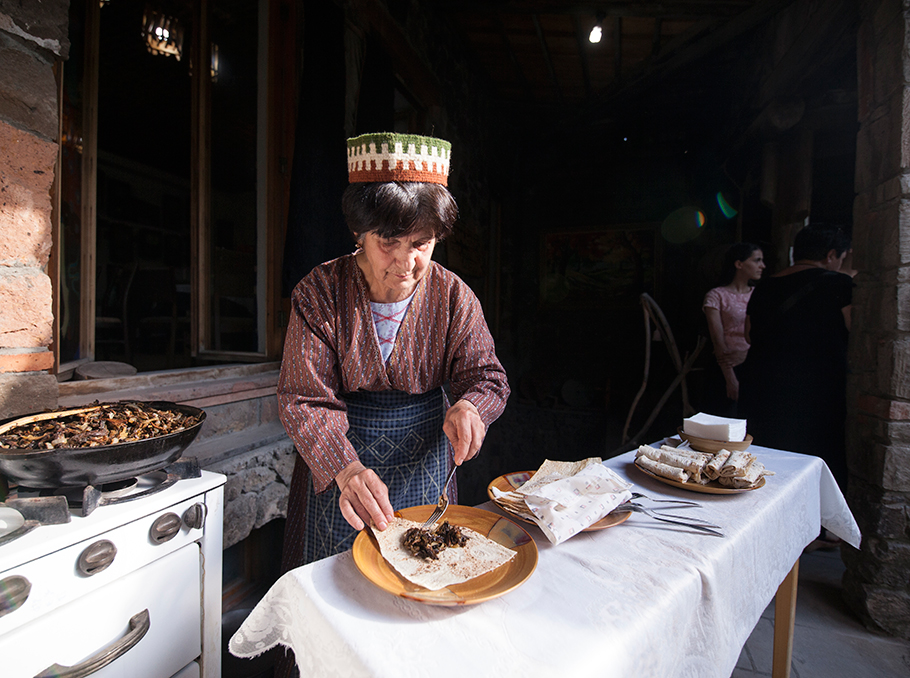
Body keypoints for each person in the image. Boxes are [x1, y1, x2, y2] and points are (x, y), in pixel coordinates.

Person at [277, 132, 510, 572]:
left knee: (421, 578)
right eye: (388, 242)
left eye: (421, 244)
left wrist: (471, 407)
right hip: (342, 464)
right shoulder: (319, 294)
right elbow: (302, 398)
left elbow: (487, 377)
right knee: (337, 587)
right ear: (358, 232)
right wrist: (345, 470)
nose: (405, 264)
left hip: (426, 458)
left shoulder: (454, 296)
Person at [737, 224, 852, 492]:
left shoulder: (765, 287)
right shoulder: (839, 284)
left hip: (763, 382)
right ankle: (823, 522)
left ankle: (766, 508)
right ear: (831, 254)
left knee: (768, 450)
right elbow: (853, 328)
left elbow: (749, 335)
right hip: (818, 386)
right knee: (818, 450)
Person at [702, 243, 765, 412]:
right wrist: (730, 378)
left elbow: (765, 334)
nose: (762, 266)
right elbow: (718, 341)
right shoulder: (717, 296)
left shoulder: (760, 294)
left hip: (753, 363)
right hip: (725, 366)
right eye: (757, 260)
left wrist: (748, 355)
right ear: (739, 264)